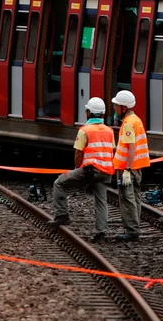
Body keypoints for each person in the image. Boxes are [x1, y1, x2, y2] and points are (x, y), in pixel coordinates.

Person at [47, 97, 115, 243]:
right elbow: (112, 151)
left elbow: (78, 153)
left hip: (89, 170)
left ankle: (62, 216)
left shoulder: (84, 131)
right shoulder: (110, 131)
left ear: (89, 113)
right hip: (106, 172)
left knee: (59, 183)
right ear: (102, 115)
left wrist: (78, 169)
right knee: (101, 201)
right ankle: (101, 233)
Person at [112, 90, 150, 241]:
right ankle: (135, 226)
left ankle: (132, 230)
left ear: (124, 108)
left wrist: (127, 169)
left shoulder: (128, 123)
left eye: (116, 106)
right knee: (134, 197)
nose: (114, 109)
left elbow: (131, 147)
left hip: (127, 167)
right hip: (137, 167)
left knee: (127, 199)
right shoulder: (136, 120)